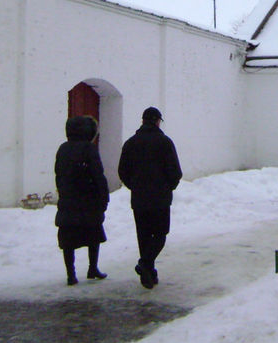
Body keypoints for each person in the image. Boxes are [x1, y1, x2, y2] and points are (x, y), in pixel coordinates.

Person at [118, 106, 182, 289]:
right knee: (160, 234)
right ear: (157, 121)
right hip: (160, 198)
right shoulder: (165, 142)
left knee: (144, 235)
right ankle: (146, 264)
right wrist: (168, 187)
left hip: (139, 198)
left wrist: (135, 186)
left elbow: (122, 171)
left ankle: (148, 273)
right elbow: (175, 171)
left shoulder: (131, 143)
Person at [54, 115, 109, 285]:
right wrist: (103, 196)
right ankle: (93, 267)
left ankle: (71, 274)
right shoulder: (89, 149)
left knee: (68, 239)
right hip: (88, 200)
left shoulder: (63, 149)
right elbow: (98, 175)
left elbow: (59, 174)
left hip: (69, 200)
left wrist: (64, 192)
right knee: (92, 234)